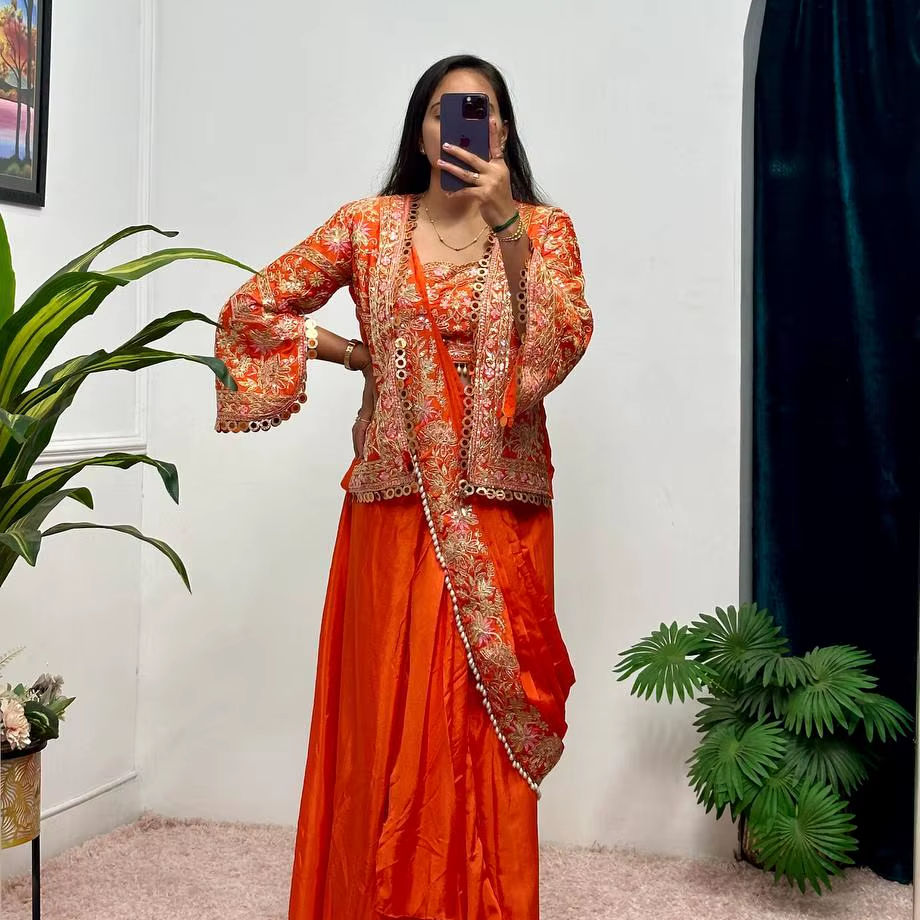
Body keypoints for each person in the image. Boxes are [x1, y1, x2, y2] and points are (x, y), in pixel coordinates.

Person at [215, 53, 593, 920]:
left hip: (497, 512)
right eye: (444, 110)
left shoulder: (546, 229)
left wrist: (506, 222)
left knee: (478, 725)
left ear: (504, 131)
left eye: (481, 110)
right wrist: (357, 357)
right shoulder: (368, 226)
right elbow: (252, 309)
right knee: (387, 715)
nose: (462, 125)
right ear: (420, 131)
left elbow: (560, 343)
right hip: (393, 508)